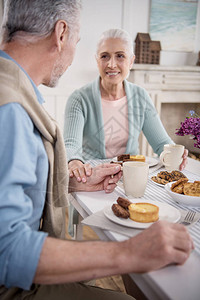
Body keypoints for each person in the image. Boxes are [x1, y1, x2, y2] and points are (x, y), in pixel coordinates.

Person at [0, 1, 193, 300]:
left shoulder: (17, 91)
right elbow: (7, 251)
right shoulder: (11, 107)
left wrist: (71, 181)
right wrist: (127, 254)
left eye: (119, 56)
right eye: (79, 42)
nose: (111, 64)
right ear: (61, 33)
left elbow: (18, 182)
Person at [64, 28, 188, 183]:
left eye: (120, 56)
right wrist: (74, 161)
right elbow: (70, 146)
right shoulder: (79, 99)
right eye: (105, 56)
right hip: (92, 180)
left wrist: (175, 152)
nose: (111, 64)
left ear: (131, 61)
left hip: (131, 180)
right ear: (97, 61)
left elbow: (162, 144)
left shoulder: (140, 96)